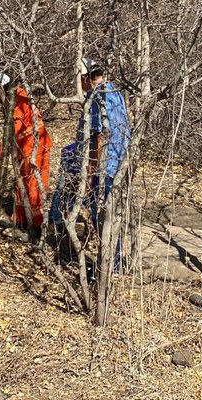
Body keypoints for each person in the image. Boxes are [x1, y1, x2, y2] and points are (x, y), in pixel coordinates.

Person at [51, 58, 130, 273]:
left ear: (86, 77)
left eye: (80, 79)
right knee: (68, 155)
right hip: (118, 161)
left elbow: (100, 137)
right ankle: (58, 219)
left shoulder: (98, 97)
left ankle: (111, 265)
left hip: (105, 164)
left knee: (100, 214)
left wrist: (89, 173)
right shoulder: (114, 91)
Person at [0, 72, 52, 235]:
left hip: (34, 146)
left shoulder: (18, 102)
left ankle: (35, 225)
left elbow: (13, 131)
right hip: (27, 146)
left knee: (32, 185)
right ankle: (21, 219)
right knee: (23, 184)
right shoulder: (19, 95)